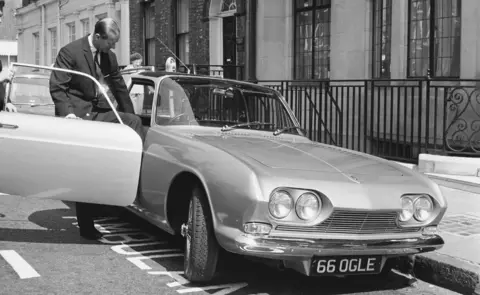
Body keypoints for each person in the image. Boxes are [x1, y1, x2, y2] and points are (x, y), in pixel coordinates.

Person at [49, 17, 145, 240]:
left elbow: (119, 87)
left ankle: (132, 180)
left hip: (98, 112)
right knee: (87, 168)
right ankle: (87, 226)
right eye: (110, 43)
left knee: (134, 123)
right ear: (98, 36)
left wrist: (129, 115)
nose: (113, 48)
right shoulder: (70, 52)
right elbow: (57, 87)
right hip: (77, 116)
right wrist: (69, 115)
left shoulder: (108, 56)